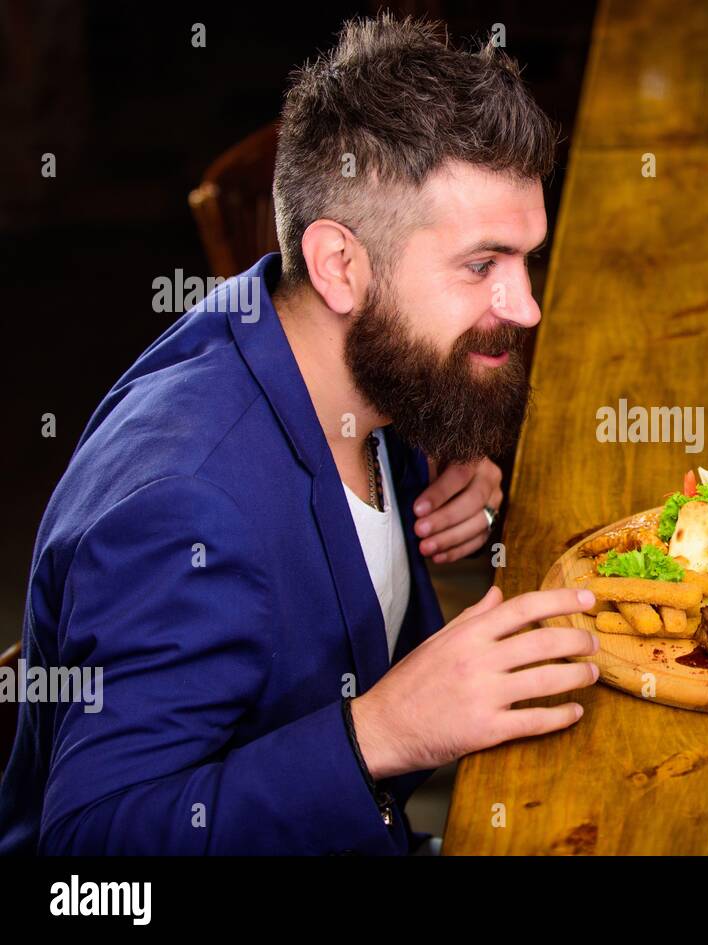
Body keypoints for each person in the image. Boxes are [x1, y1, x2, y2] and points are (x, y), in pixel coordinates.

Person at [0, 15, 599, 855]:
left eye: (525, 260)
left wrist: (449, 449)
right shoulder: (187, 513)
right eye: (480, 265)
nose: (525, 306)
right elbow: (87, 863)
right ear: (339, 264)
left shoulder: (332, 353)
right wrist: (378, 732)